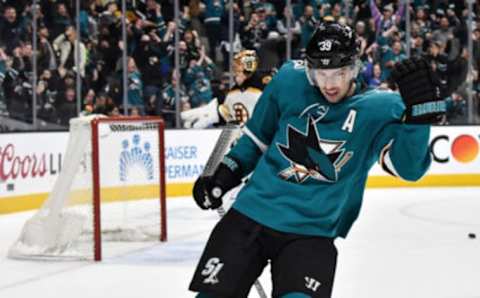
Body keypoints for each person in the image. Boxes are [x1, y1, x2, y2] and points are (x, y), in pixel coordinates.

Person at [189, 21, 446, 297]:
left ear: (355, 68)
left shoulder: (380, 108)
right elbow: (255, 141)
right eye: (321, 74)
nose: (329, 84)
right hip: (250, 215)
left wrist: (418, 123)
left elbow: (409, 170)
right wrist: (225, 175)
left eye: (339, 73)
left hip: (312, 233)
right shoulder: (288, 80)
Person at [181, 49, 269, 128]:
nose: (235, 74)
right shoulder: (234, 91)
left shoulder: (264, 82)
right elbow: (227, 114)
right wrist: (214, 112)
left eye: (238, 70)